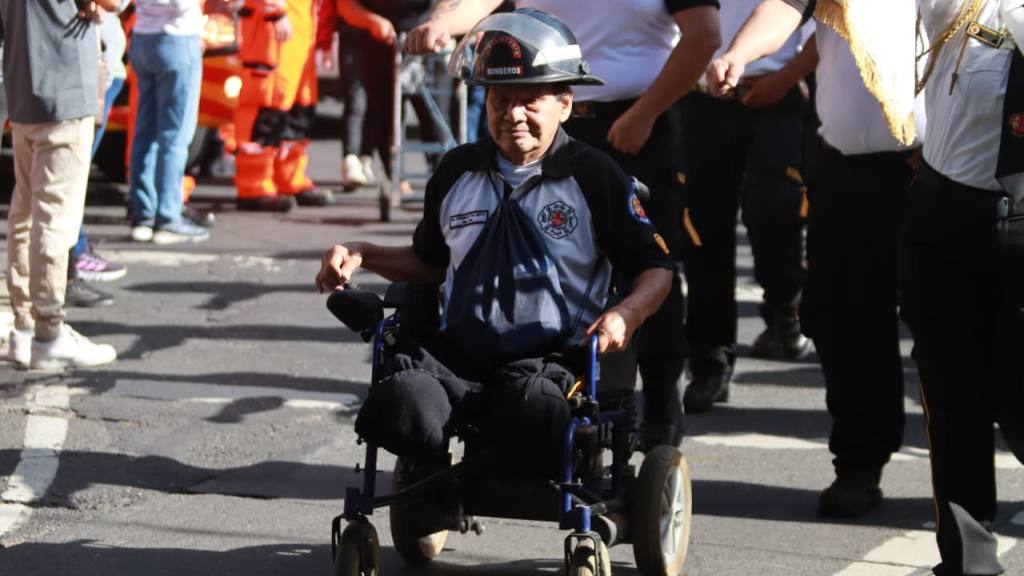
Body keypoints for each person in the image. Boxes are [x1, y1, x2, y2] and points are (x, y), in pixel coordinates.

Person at [316, 9, 673, 475]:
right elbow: (431, 264)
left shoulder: (593, 176)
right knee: (402, 402)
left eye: (530, 101)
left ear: (564, 103)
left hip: (552, 361)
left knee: (529, 411)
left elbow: (657, 268)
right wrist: (362, 253)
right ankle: (433, 487)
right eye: (500, 100)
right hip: (458, 354)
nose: (513, 115)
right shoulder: (456, 171)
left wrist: (626, 314)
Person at [405, 0, 721, 449]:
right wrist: (444, 22)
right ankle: (503, 388)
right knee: (502, 256)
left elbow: (703, 34)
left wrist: (646, 113)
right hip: (533, 107)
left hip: (635, 118)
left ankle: (660, 406)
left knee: (647, 261)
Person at [706, 0, 926, 519]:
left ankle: (963, 490)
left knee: (952, 331)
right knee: (840, 318)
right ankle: (858, 464)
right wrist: (738, 51)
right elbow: (784, 9)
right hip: (846, 167)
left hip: (936, 172)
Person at [677, 0, 811, 415]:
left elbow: (826, 29)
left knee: (772, 212)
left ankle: (783, 311)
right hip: (702, 101)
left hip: (777, 94)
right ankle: (710, 365)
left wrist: (787, 76)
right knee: (704, 233)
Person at [1, 0, 119, 369]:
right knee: (55, 218)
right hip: (65, 88)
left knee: (24, 213)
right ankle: (48, 331)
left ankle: (23, 326)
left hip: (24, 87)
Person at [233, 0, 335, 212]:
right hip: (270, 32)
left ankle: (290, 179)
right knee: (265, 109)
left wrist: (323, 37)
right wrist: (276, 12)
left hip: (301, 32)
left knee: (300, 110)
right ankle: (254, 187)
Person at [67, 1, 131, 309]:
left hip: (95, 67)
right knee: (69, 177)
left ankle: (71, 257)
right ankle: (71, 259)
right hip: (85, 70)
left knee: (68, 176)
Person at [129, 0, 209, 242]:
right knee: (175, 138)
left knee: (146, 134)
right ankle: (167, 217)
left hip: (143, 37)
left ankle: (144, 215)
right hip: (176, 37)